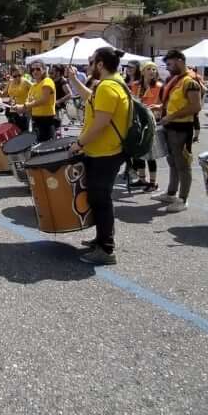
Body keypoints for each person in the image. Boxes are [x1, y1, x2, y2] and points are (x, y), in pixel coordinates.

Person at [67, 46, 130, 266]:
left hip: (105, 153)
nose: (89, 65)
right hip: (105, 152)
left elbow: (100, 124)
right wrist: (74, 80)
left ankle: (106, 249)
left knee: (101, 201)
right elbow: (91, 99)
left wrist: (79, 144)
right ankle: (101, 239)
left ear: (100, 64)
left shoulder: (107, 87)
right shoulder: (113, 83)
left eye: (91, 61)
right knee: (98, 199)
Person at [157, 49, 202, 212]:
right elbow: (175, 102)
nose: (168, 68)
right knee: (172, 162)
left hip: (181, 128)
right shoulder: (176, 80)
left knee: (183, 164)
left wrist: (171, 116)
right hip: (170, 127)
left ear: (180, 61)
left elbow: (196, 106)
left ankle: (183, 199)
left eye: (170, 64)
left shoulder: (190, 82)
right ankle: (171, 193)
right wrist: (160, 108)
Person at [132, 62, 163, 190]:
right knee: (138, 152)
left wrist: (158, 106)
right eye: (149, 69)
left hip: (152, 122)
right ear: (143, 71)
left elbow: (166, 103)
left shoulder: (159, 86)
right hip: (138, 122)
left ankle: (153, 183)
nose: (152, 71)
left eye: (154, 69)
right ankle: (142, 179)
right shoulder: (135, 85)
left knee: (151, 154)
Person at [26, 61, 57, 143]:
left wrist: (25, 106)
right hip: (35, 119)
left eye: (38, 69)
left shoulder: (47, 81)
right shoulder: (33, 86)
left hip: (46, 119)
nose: (35, 71)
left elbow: (44, 99)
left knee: (47, 146)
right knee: (38, 145)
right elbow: (29, 103)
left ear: (44, 70)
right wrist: (20, 108)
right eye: (33, 69)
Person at [6, 66, 32, 132]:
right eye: (15, 76)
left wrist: (30, 101)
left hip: (23, 111)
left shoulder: (25, 81)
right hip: (12, 110)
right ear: (11, 75)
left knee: (23, 133)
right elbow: (3, 94)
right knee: (12, 132)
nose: (17, 78)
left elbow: (35, 89)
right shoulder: (10, 82)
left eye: (19, 75)